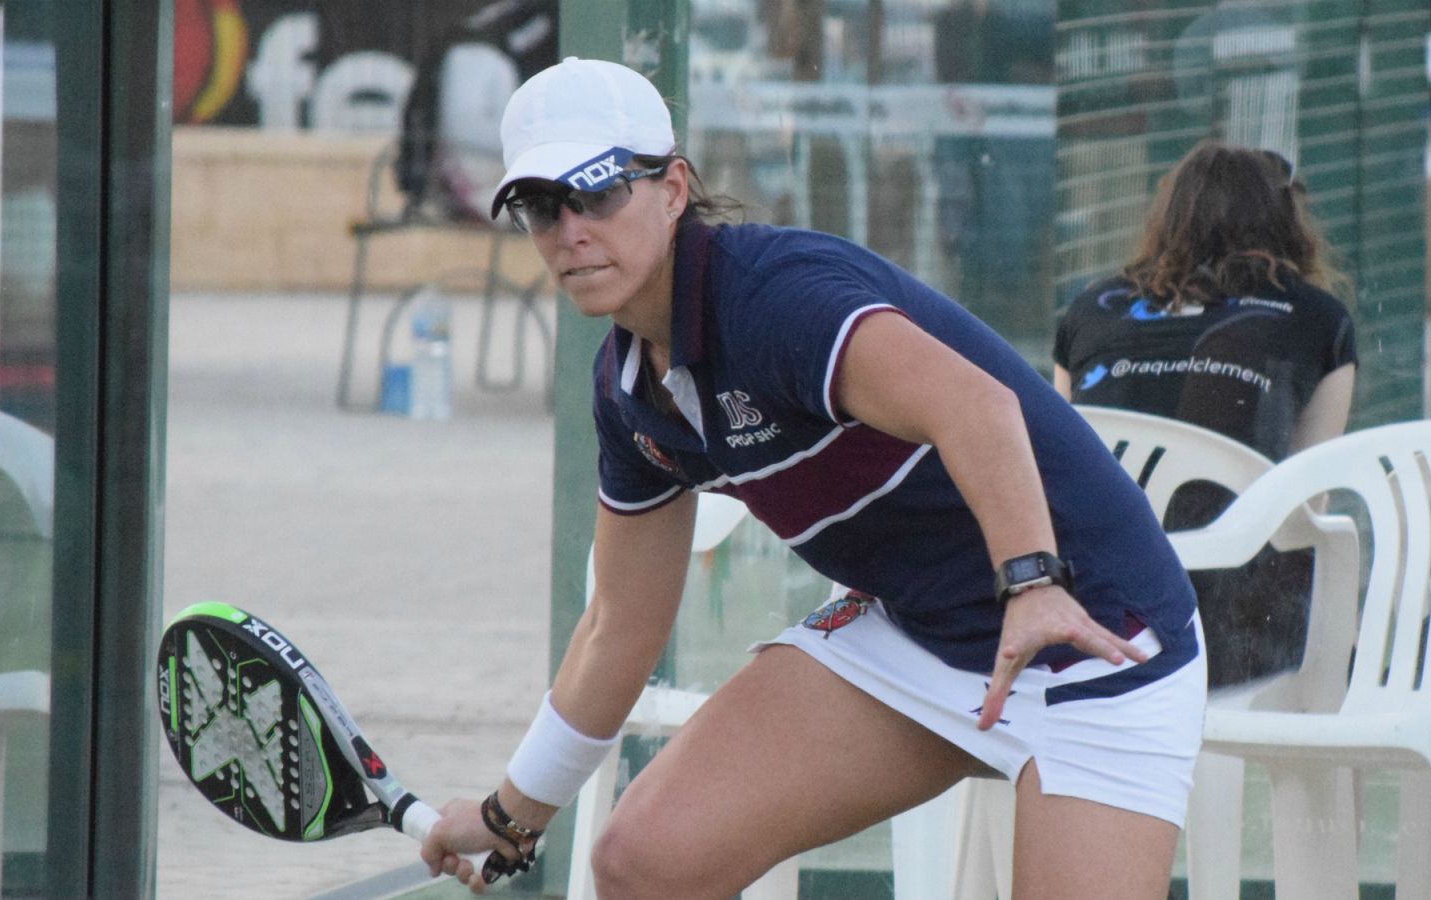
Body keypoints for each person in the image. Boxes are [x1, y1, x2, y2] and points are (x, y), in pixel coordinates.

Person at [421, 57, 1206, 899]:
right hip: (917, 637)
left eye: (600, 192)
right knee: (641, 863)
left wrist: (1033, 585)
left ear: (674, 188)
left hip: (1092, 634)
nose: (571, 230)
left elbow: (978, 408)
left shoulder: (776, 298)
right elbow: (618, 624)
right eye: (543, 207)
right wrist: (512, 812)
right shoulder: (626, 393)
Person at [1053, 139, 1356, 686]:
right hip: (1239, 638)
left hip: (1095, 624)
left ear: (1168, 217)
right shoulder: (1318, 320)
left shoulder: (1087, 312)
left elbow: (1064, 467)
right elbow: (1309, 500)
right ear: (1285, 222)